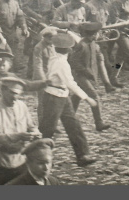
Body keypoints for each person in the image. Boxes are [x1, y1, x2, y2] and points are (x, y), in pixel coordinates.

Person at [38, 31, 97, 167]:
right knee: (48, 129)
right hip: (54, 97)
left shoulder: (56, 56)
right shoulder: (61, 63)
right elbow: (71, 83)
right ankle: (38, 156)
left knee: (73, 125)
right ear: (68, 50)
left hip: (62, 96)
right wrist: (87, 98)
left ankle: (82, 155)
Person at [0, 74, 42, 184]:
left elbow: (31, 126)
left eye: (18, 94)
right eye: (12, 93)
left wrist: (35, 133)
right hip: (0, 165)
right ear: (3, 90)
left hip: (21, 162)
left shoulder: (22, 106)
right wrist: (18, 136)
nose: (15, 97)